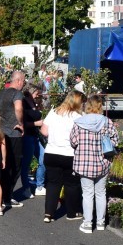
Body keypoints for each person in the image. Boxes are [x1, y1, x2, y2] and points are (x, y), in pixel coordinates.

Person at [70, 94, 119, 233]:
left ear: (88, 106)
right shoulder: (107, 121)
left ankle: (87, 223)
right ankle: (100, 222)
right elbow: (115, 141)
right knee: (101, 193)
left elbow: (73, 142)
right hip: (102, 162)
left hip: (84, 163)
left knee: (87, 193)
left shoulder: (79, 122)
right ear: (99, 106)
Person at [39, 91, 85, 223]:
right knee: (71, 184)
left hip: (51, 152)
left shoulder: (53, 112)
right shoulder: (78, 117)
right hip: (69, 154)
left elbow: (44, 131)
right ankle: (71, 212)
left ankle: (49, 213)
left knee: (53, 184)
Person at [0, 70, 30, 208]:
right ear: (18, 80)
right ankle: (8, 195)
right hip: (14, 133)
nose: (23, 84)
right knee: (16, 165)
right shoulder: (17, 94)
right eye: (23, 81)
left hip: (2, 133)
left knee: (5, 164)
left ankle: (3, 192)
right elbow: (18, 109)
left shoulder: (3, 92)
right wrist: (20, 123)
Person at [22, 83, 46, 197]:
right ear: (31, 91)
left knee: (43, 159)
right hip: (27, 135)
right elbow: (22, 123)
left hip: (35, 135)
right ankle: (26, 188)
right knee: (26, 163)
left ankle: (39, 186)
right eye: (37, 92)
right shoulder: (23, 102)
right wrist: (36, 123)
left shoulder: (34, 102)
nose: (38, 94)